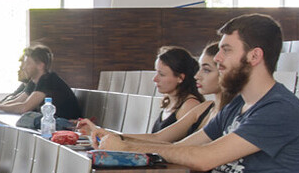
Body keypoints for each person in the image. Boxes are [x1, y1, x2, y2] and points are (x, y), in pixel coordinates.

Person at [118, 14, 299, 173]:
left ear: (255, 56)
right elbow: (184, 147)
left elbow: (203, 159)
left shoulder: (279, 108)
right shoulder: (237, 104)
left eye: (226, 50)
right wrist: (119, 142)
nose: (219, 59)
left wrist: (127, 149)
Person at [79, 44, 219, 147]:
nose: (155, 79)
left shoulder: (191, 105)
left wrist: (118, 141)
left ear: (180, 77)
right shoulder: (196, 106)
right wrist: (106, 134)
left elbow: (171, 145)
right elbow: (156, 137)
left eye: (162, 74)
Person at [0, 45, 82, 126]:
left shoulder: (48, 79)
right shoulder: (34, 81)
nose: (24, 67)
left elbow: (25, 107)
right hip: (51, 124)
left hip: (67, 125)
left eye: (28, 63)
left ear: (40, 65)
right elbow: (18, 101)